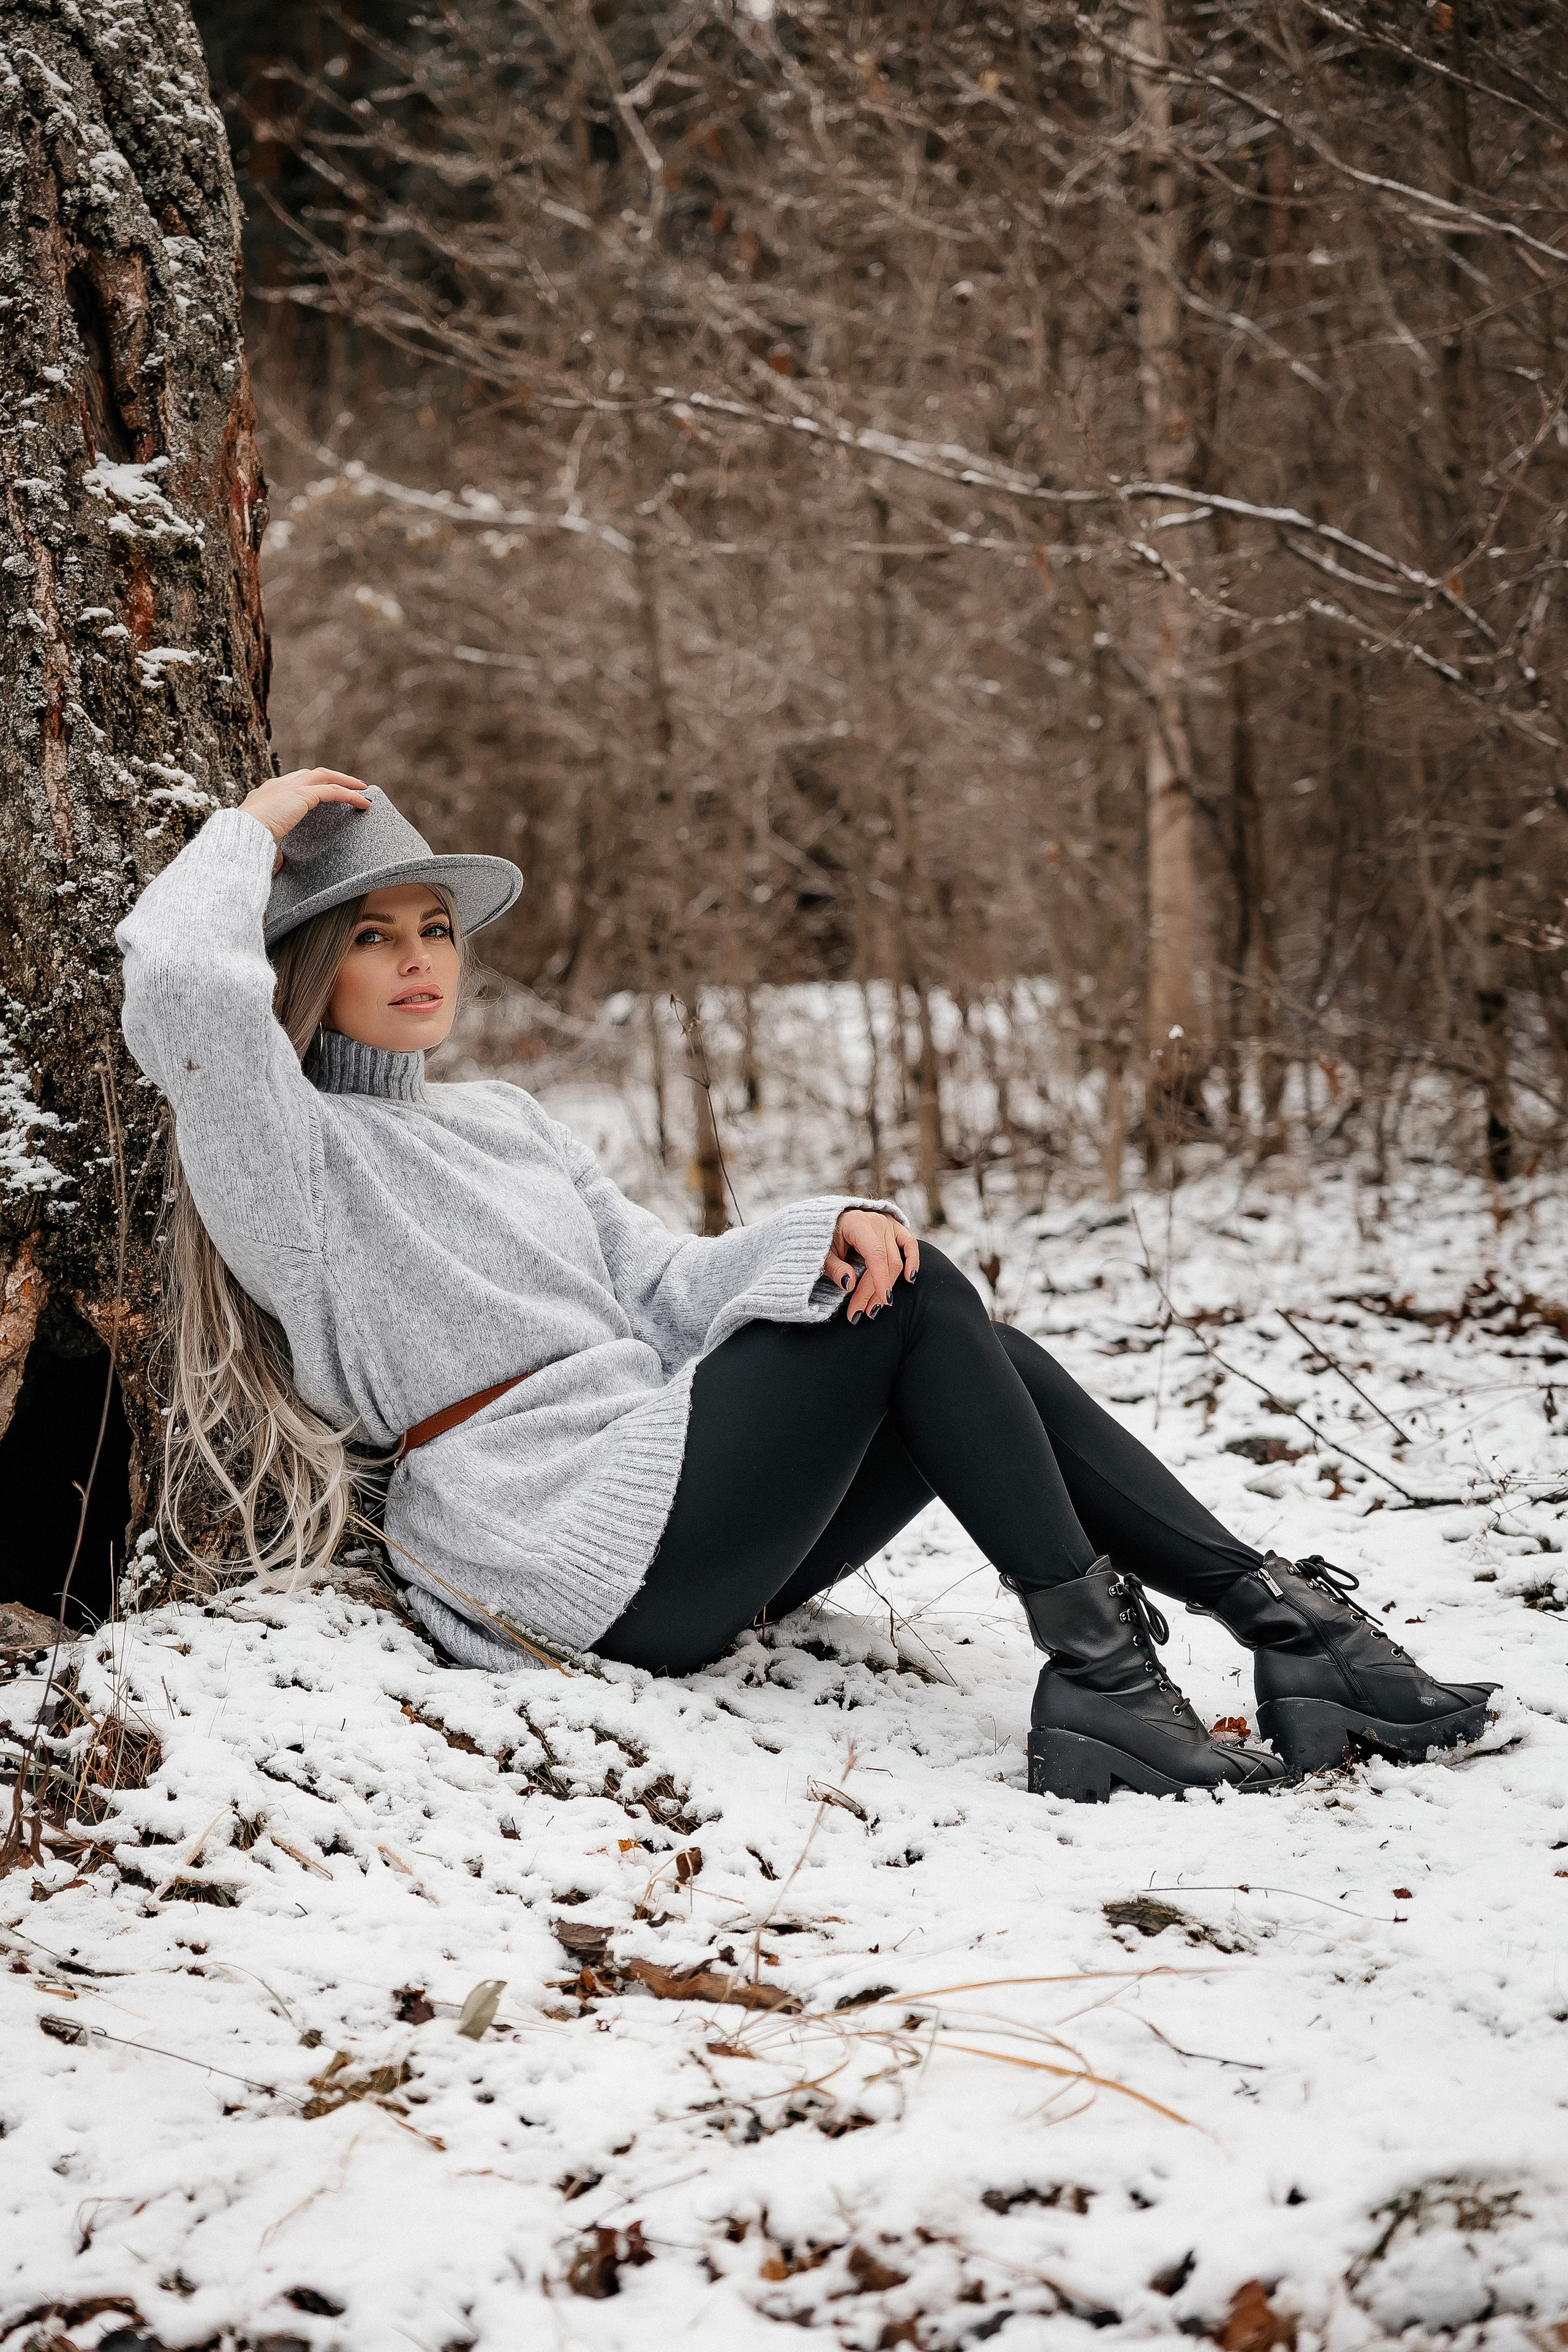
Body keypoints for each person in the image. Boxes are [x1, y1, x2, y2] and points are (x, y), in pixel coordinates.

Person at [116, 771, 1495, 1803]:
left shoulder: (506, 1123)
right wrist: (254, 825)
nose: (421, 958)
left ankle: (1275, 1631)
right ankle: (1126, 1677)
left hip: (677, 1500)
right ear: (307, 960)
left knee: (948, 1326)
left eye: (435, 928)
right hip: (556, 1551)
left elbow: (667, 1286)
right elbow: (181, 986)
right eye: (372, 935)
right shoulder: (293, 1159)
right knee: (919, 1303)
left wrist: (821, 1229)